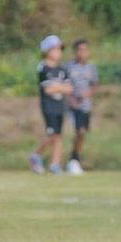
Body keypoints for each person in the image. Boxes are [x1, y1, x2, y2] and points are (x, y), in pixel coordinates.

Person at [28, 35, 74, 174]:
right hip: (49, 107)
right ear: (47, 51)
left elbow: (69, 89)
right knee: (52, 135)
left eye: (60, 49)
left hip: (60, 105)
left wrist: (57, 86)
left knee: (58, 135)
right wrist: (60, 87)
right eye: (55, 49)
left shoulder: (62, 69)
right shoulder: (43, 68)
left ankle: (55, 164)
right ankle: (35, 155)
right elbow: (48, 89)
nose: (58, 52)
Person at [65, 39, 98, 175]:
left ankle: (74, 158)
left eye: (85, 50)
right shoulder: (68, 67)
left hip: (85, 106)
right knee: (78, 131)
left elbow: (94, 85)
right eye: (80, 50)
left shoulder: (91, 67)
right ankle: (73, 160)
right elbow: (65, 84)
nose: (83, 53)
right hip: (72, 105)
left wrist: (88, 93)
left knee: (82, 133)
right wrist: (71, 99)